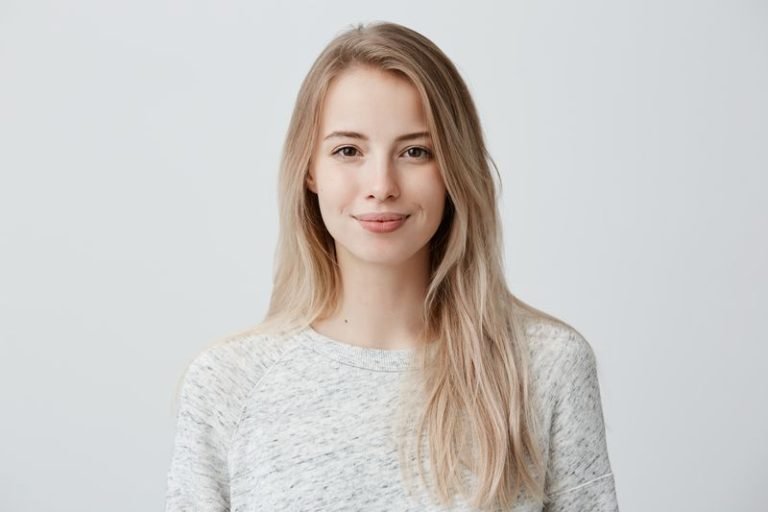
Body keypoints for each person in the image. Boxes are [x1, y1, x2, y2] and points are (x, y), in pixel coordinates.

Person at [164, 21, 618, 512]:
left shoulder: (544, 368)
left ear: (454, 169)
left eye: (415, 151)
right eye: (348, 151)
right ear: (310, 169)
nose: (381, 185)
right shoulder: (228, 382)